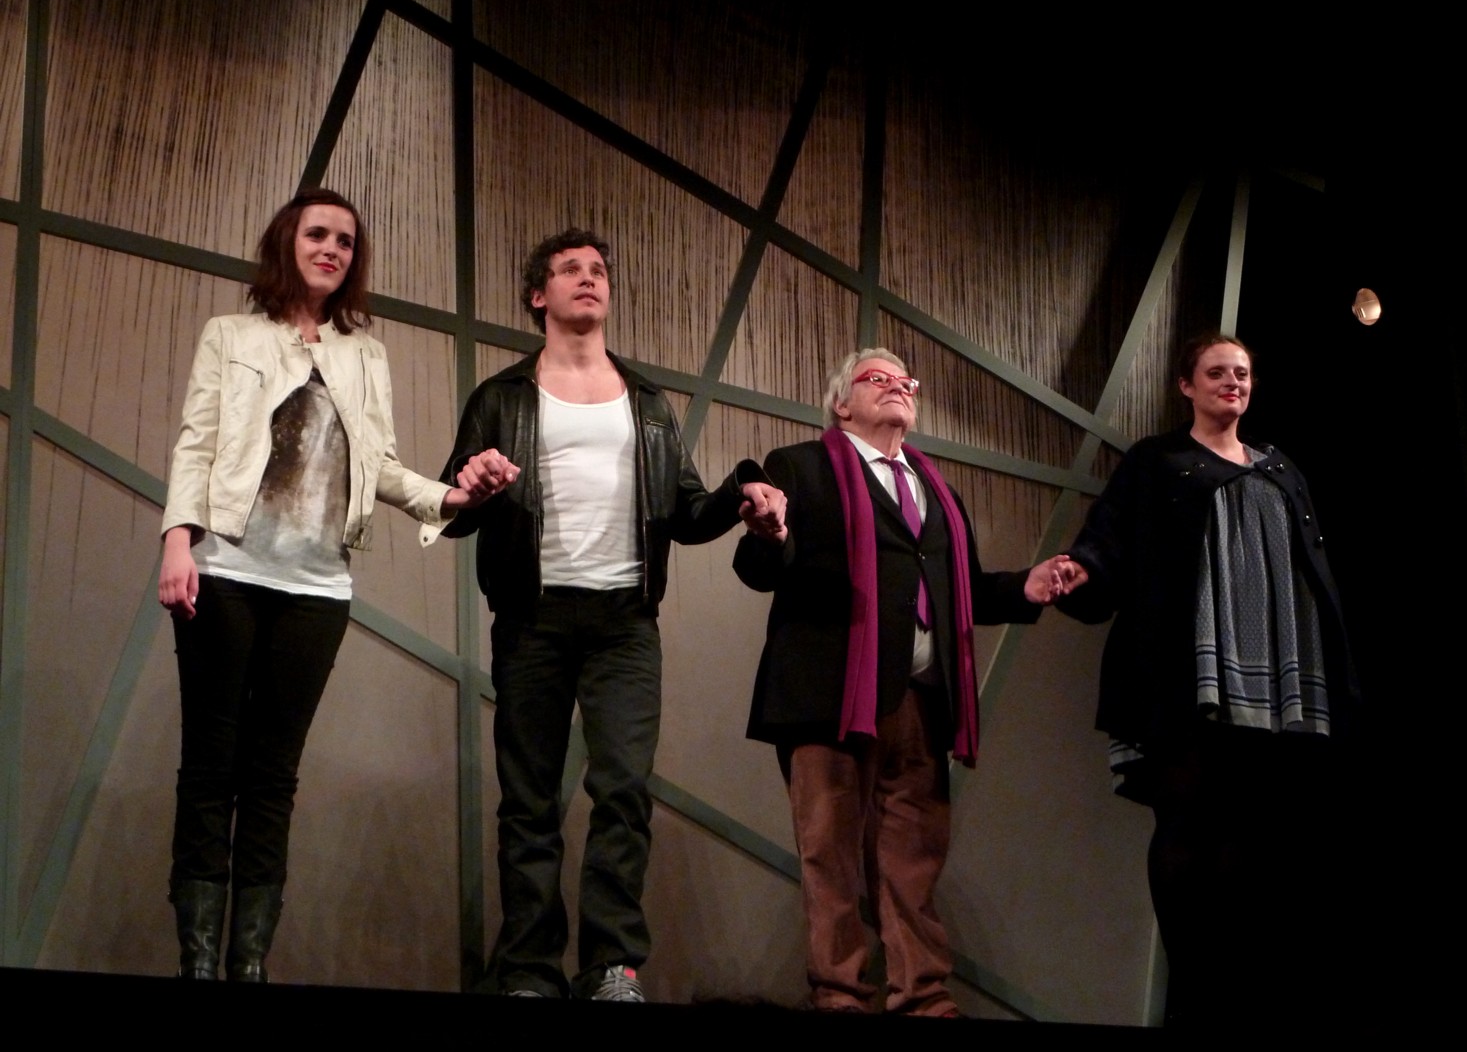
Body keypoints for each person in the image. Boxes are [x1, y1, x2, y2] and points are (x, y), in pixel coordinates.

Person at [425, 228, 785, 1002]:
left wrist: (742, 493)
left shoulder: (647, 402)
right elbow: (450, 510)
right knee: (529, 801)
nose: (588, 279)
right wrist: (472, 483)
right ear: (538, 295)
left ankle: (611, 965)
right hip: (532, 619)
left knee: (622, 791)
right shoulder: (500, 397)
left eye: (597, 271)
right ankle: (527, 969)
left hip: (625, 623)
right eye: (569, 270)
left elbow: (685, 513)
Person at [157, 188, 501, 982]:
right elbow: (197, 443)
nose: (332, 249)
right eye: (318, 234)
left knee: (272, 777)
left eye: (345, 241)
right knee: (210, 768)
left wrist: (452, 497)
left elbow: (379, 465)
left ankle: (248, 965)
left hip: (317, 589)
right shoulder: (231, 335)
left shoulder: (364, 354)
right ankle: (198, 964)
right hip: (227, 571)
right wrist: (177, 542)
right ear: (288, 241)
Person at [733, 349, 1067, 1016]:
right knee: (830, 856)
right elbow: (759, 566)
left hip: (921, 700)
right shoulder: (799, 467)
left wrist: (1024, 587)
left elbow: (962, 590)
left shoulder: (935, 488)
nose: (897, 388)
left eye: (905, 381)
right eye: (877, 379)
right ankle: (840, 997)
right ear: (841, 404)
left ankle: (923, 998)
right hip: (827, 697)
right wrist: (769, 533)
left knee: (914, 861)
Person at [1055, 333, 1359, 1025]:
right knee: (1188, 818)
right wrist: (1081, 572)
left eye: (1242, 373)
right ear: (1185, 386)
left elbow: (1313, 572)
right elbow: (1108, 542)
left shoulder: (1281, 469)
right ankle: (1190, 995)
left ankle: (1235, 996)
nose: (1232, 382)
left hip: (1272, 680)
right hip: (1189, 675)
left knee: (1249, 834)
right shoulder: (1157, 461)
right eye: (1216, 372)